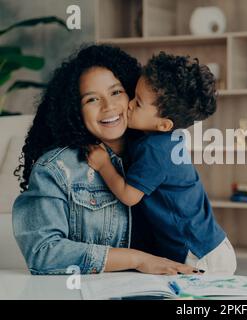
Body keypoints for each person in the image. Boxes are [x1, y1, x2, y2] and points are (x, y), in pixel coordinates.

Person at [12, 45, 197, 275]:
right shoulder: (56, 169)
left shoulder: (156, 154)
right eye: (91, 99)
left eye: (116, 92)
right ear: (74, 109)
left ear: (132, 94)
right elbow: (43, 252)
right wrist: (137, 260)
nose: (109, 107)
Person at [87, 52, 237, 275]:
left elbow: (129, 196)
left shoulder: (155, 150)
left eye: (138, 103)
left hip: (198, 254)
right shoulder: (162, 139)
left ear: (164, 125)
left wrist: (103, 165)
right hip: (209, 245)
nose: (128, 105)